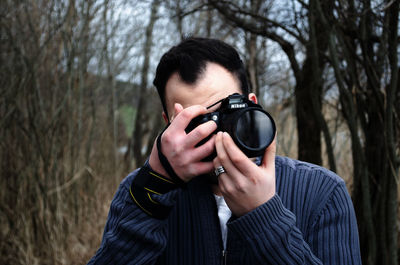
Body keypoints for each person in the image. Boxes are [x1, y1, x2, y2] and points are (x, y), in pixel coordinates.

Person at [88, 37, 361, 264]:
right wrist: (152, 190)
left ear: (252, 104)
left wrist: (265, 216)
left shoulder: (322, 192)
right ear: (168, 124)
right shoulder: (140, 192)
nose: (214, 134)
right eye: (195, 123)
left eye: (224, 113)